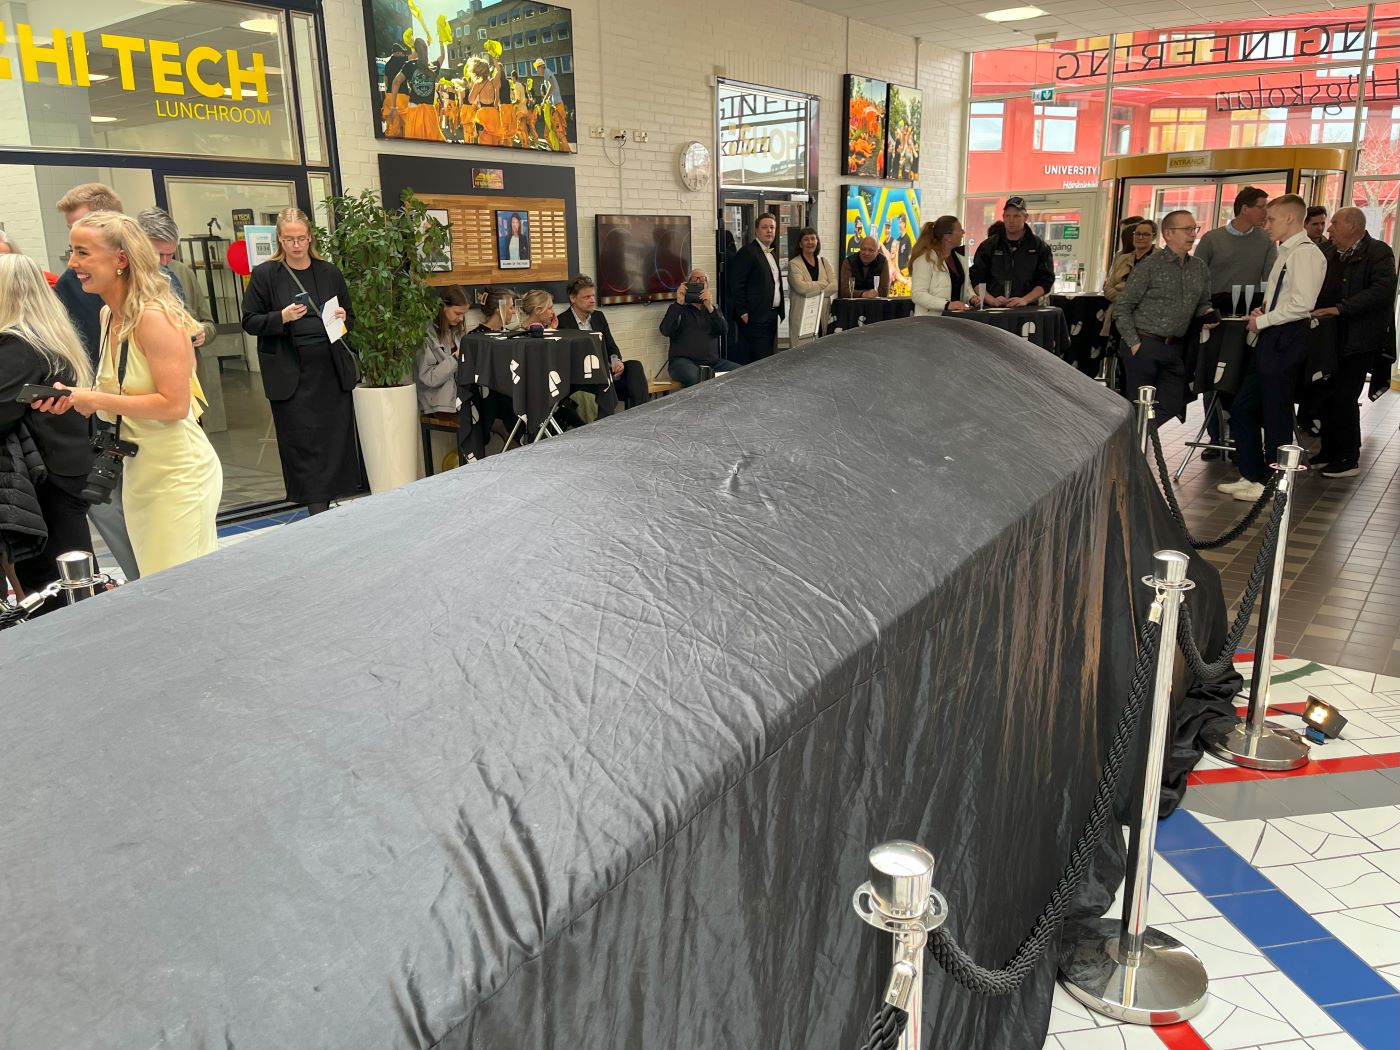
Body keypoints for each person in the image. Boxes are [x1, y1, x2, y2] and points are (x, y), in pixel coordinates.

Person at [38, 212, 222, 575]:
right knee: (158, 582)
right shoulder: (109, 315)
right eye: (72, 251)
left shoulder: (155, 318)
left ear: (120, 259)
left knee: (178, 584)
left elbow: (175, 404)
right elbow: (120, 390)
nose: (72, 263)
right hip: (140, 472)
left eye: (83, 253)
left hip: (178, 474)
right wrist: (76, 396)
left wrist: (96, 400)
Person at [241, 207, 360, 516]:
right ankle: (317, 511)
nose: (296, 245)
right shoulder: (266, 275)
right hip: (290, 375)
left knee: (333, 440)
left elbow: (349, 318)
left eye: (301, 238)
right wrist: (281, 317)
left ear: (310, 238)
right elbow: (250, 321)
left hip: (330, 373)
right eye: (289, 239)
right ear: (279, 239)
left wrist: (343, 318)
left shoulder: (329, 272)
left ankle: (329, 506)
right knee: (303, 444)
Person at [51, 182, 139, 581]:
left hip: (139, 430)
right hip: (108, 423)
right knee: (112, 510)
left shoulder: (150, 301)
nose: (74, 259)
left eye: (82, 244)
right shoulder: (85, 294)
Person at [1218, 194, 1327, 502]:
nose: (1265, 225)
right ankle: (1252, 474)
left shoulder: (1305, 253)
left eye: (1271, 219)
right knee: (1243, 407)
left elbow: (1302, 305)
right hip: (1272, 334)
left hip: (1286, 337)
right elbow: (1282, 297)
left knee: (1275, 413)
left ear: (1290, 218)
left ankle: (1273, 482)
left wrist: (1264, 320)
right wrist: (1263, 313)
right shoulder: (1285, 251)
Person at [0, 255, 95, 598]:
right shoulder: (52, 337)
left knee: (51, 583)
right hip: (68, 466)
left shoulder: (18, 344)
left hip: (43, 477)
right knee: (74, 570)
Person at [1309, 208, 1397, 478]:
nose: (1329, 229)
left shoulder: (1379, 252)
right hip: (1328, 337)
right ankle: (1328, 451)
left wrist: (1340, 308)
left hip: (1359, 339)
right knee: (1325, 394)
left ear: (1354, 226)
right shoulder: (1328, 252)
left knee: (1344, 397)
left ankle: (1348, 458)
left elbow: (1381, 291)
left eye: (1334, 223)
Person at [1114, 210, 1216, 428]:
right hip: (1144, 343)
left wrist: (1206, 313)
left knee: (1173, 402)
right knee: (1139, 407)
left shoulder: (1199, 267)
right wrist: (1134, 343)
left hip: (1175, 347)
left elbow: (1202, 302)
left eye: (1194, 229)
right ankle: (1136, 443)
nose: (1192, 234)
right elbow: (1122, 307)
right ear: (1168, 234)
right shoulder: (1149, 266)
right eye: (1186, 229)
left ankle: (1137, 438)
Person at [555, 275, 645, 409]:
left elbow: (611, 346)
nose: (592, 300)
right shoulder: (562, 322)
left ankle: (642, 412)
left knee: (634, 366)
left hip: (606, 371)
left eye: (593, 296)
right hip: (585, 377)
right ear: (573, 298)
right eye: (587, 297)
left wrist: (616, 361)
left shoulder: (599, 317)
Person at [136, 208, 216, 349]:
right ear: (138, 245)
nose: (164, 261)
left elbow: (208, 324)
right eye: (158, 254)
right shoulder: (126, 278)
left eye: (170, 254)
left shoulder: (183, 272)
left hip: (188, 358)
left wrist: (202, 333)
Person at [1194, 186, 1277, 315]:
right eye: (1261, 207)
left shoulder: (1267, 239)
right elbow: (1196, 278)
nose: (1266, 213)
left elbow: (1270, 277)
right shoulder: (1211, 239)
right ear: (1245, 209)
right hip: (1214, 307)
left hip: (1250, 309)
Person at [969, 196, 1055, 307]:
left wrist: (1025, 300)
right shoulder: (988, 246)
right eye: (1007, 216)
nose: (1011, 220)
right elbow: (977, 278)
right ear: (1003, 217)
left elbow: (1046, 281)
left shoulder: (1039, 247)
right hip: (993, 308)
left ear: (1025, 217)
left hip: (1027, 308)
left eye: (1016, 216)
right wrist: (991, 300)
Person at [660, 270, 738, 386]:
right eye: (694, 280)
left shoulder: (713, 309)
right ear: (687, 285)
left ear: (707, 286)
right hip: (682, 362)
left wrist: (710, 307)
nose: (698, 282)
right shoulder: (678, 308)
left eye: (702, 280)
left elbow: (723, 330)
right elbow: (665, 330)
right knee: (696, 377)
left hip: (712, 363)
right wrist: (679, 302)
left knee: (741, 372)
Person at [729, 212, 784, 365]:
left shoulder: (771, 253)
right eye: (765, 227)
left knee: (768, 358)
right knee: (760, 361)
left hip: (771, 315)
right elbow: (736, 283)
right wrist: (743, 311)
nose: (769, 230)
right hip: (755, 317)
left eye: (772, 227)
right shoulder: (748, 252)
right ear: (756, 231)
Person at [417, 285, 469, 414]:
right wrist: (456, 358)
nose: (461, 318)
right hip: (437, 404)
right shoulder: (426, 334)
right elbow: (429, 378)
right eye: (458, 313)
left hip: (459, 399)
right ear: (444, 307)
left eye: (463, 314)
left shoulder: (457, 331)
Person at [1101, 219, 1157, 338]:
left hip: (1144, 322)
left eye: (1145, 234)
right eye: (1137, 234)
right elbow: (1108, 288)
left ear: (1154, 237)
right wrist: (1128, 298)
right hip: (1117, 317)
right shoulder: (1122, 258)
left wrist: (1121, 288)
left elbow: (1152, 293)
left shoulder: (1160, 259)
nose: (1140, 237)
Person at [909, 217, 974, 316]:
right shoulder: (925, 259)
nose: (963, 232)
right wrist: (947, 305)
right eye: (960, 229)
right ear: (948, 237)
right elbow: (918, 294)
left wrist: (972, 297)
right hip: (931, 320)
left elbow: (965, 285)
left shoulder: (959, 258)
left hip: (956, 318)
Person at [388, 35, 446, 142]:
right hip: (430, 111)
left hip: (414, 110)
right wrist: (441, 40)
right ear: (426, 49)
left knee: (415, 145)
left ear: (415, 50)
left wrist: (393, 107)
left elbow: (395, 82)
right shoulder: (433, 66)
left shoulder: (410, 65)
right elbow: (442, 56)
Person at [787, 227, 837, 345]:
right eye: (806, 239)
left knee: (821, 351)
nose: (810, 242)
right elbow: (801, 288)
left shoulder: (825, 262)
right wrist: (823, 284)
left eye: (813, 239)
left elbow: (834, 287)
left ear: (817, 241)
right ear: (800, 244)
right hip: (802, 317)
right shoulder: (794, 264)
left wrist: (812, 288)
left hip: (822, 317)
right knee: (802, 351)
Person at [380, 40, 410, 137]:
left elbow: (385, 81)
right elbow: (414, 56)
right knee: (406, 124)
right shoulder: (403, 60)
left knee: (392, 124)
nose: (403, 54)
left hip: (389, 95)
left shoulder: (387, 64)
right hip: (402, 96)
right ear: (399, 52)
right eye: (402, 52)